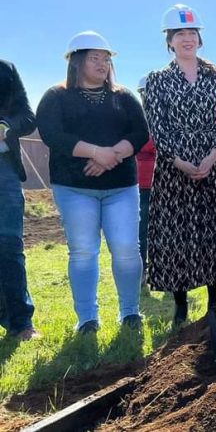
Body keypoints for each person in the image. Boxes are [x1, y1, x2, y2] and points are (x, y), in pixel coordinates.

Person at [36, 32, 148, 334]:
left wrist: (113, 155)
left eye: (106, 58)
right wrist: (97, 152)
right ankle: (87, 319)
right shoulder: (56, 97)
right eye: (95, 58)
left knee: (126, 248)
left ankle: (130, 313)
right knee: (84, 251)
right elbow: (53, 135)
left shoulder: (124, 97)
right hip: (74, 188)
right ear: (77, 61)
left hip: (122, 188)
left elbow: (140, 132)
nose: (103, 63)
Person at [143, 4, 216, 327]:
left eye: (191, 33)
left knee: (215, 233)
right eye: (179, 33)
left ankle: (215, 301)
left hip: (215, 165)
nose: (187, 39)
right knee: (177, 236)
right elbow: (157, 127)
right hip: (174, 169)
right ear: (169, 40)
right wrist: (180, 161)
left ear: (200, 38)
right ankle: (180, 306)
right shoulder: (157, 80)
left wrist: (212, 155)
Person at [0, 60, 40, 341]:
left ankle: (21, 322)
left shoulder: (6, 69)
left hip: (4, 169)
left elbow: (27, 116)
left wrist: (5, 126)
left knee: (9, 245)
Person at [134, 76, 155, 285]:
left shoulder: (169, 115)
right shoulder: (136, 117)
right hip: (142, 184)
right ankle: (141, 271)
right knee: (141, 230)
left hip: (167, 182)